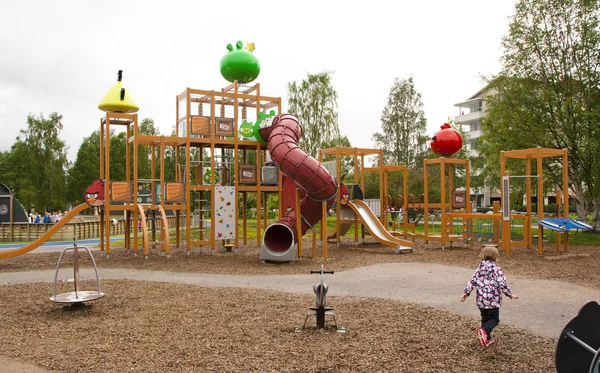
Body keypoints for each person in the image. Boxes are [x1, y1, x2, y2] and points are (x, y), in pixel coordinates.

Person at [460, 246, 519, 347]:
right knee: (494, 319)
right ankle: (484, 331)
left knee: (485, 318)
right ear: (495, 257)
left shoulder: (479, 269)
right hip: (493, 300)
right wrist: (509, 294)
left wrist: (466, 292)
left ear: (482, 256)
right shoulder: (496, 269)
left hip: (481, 300)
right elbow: (502, 283)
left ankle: (486, 339)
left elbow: (472, 281)